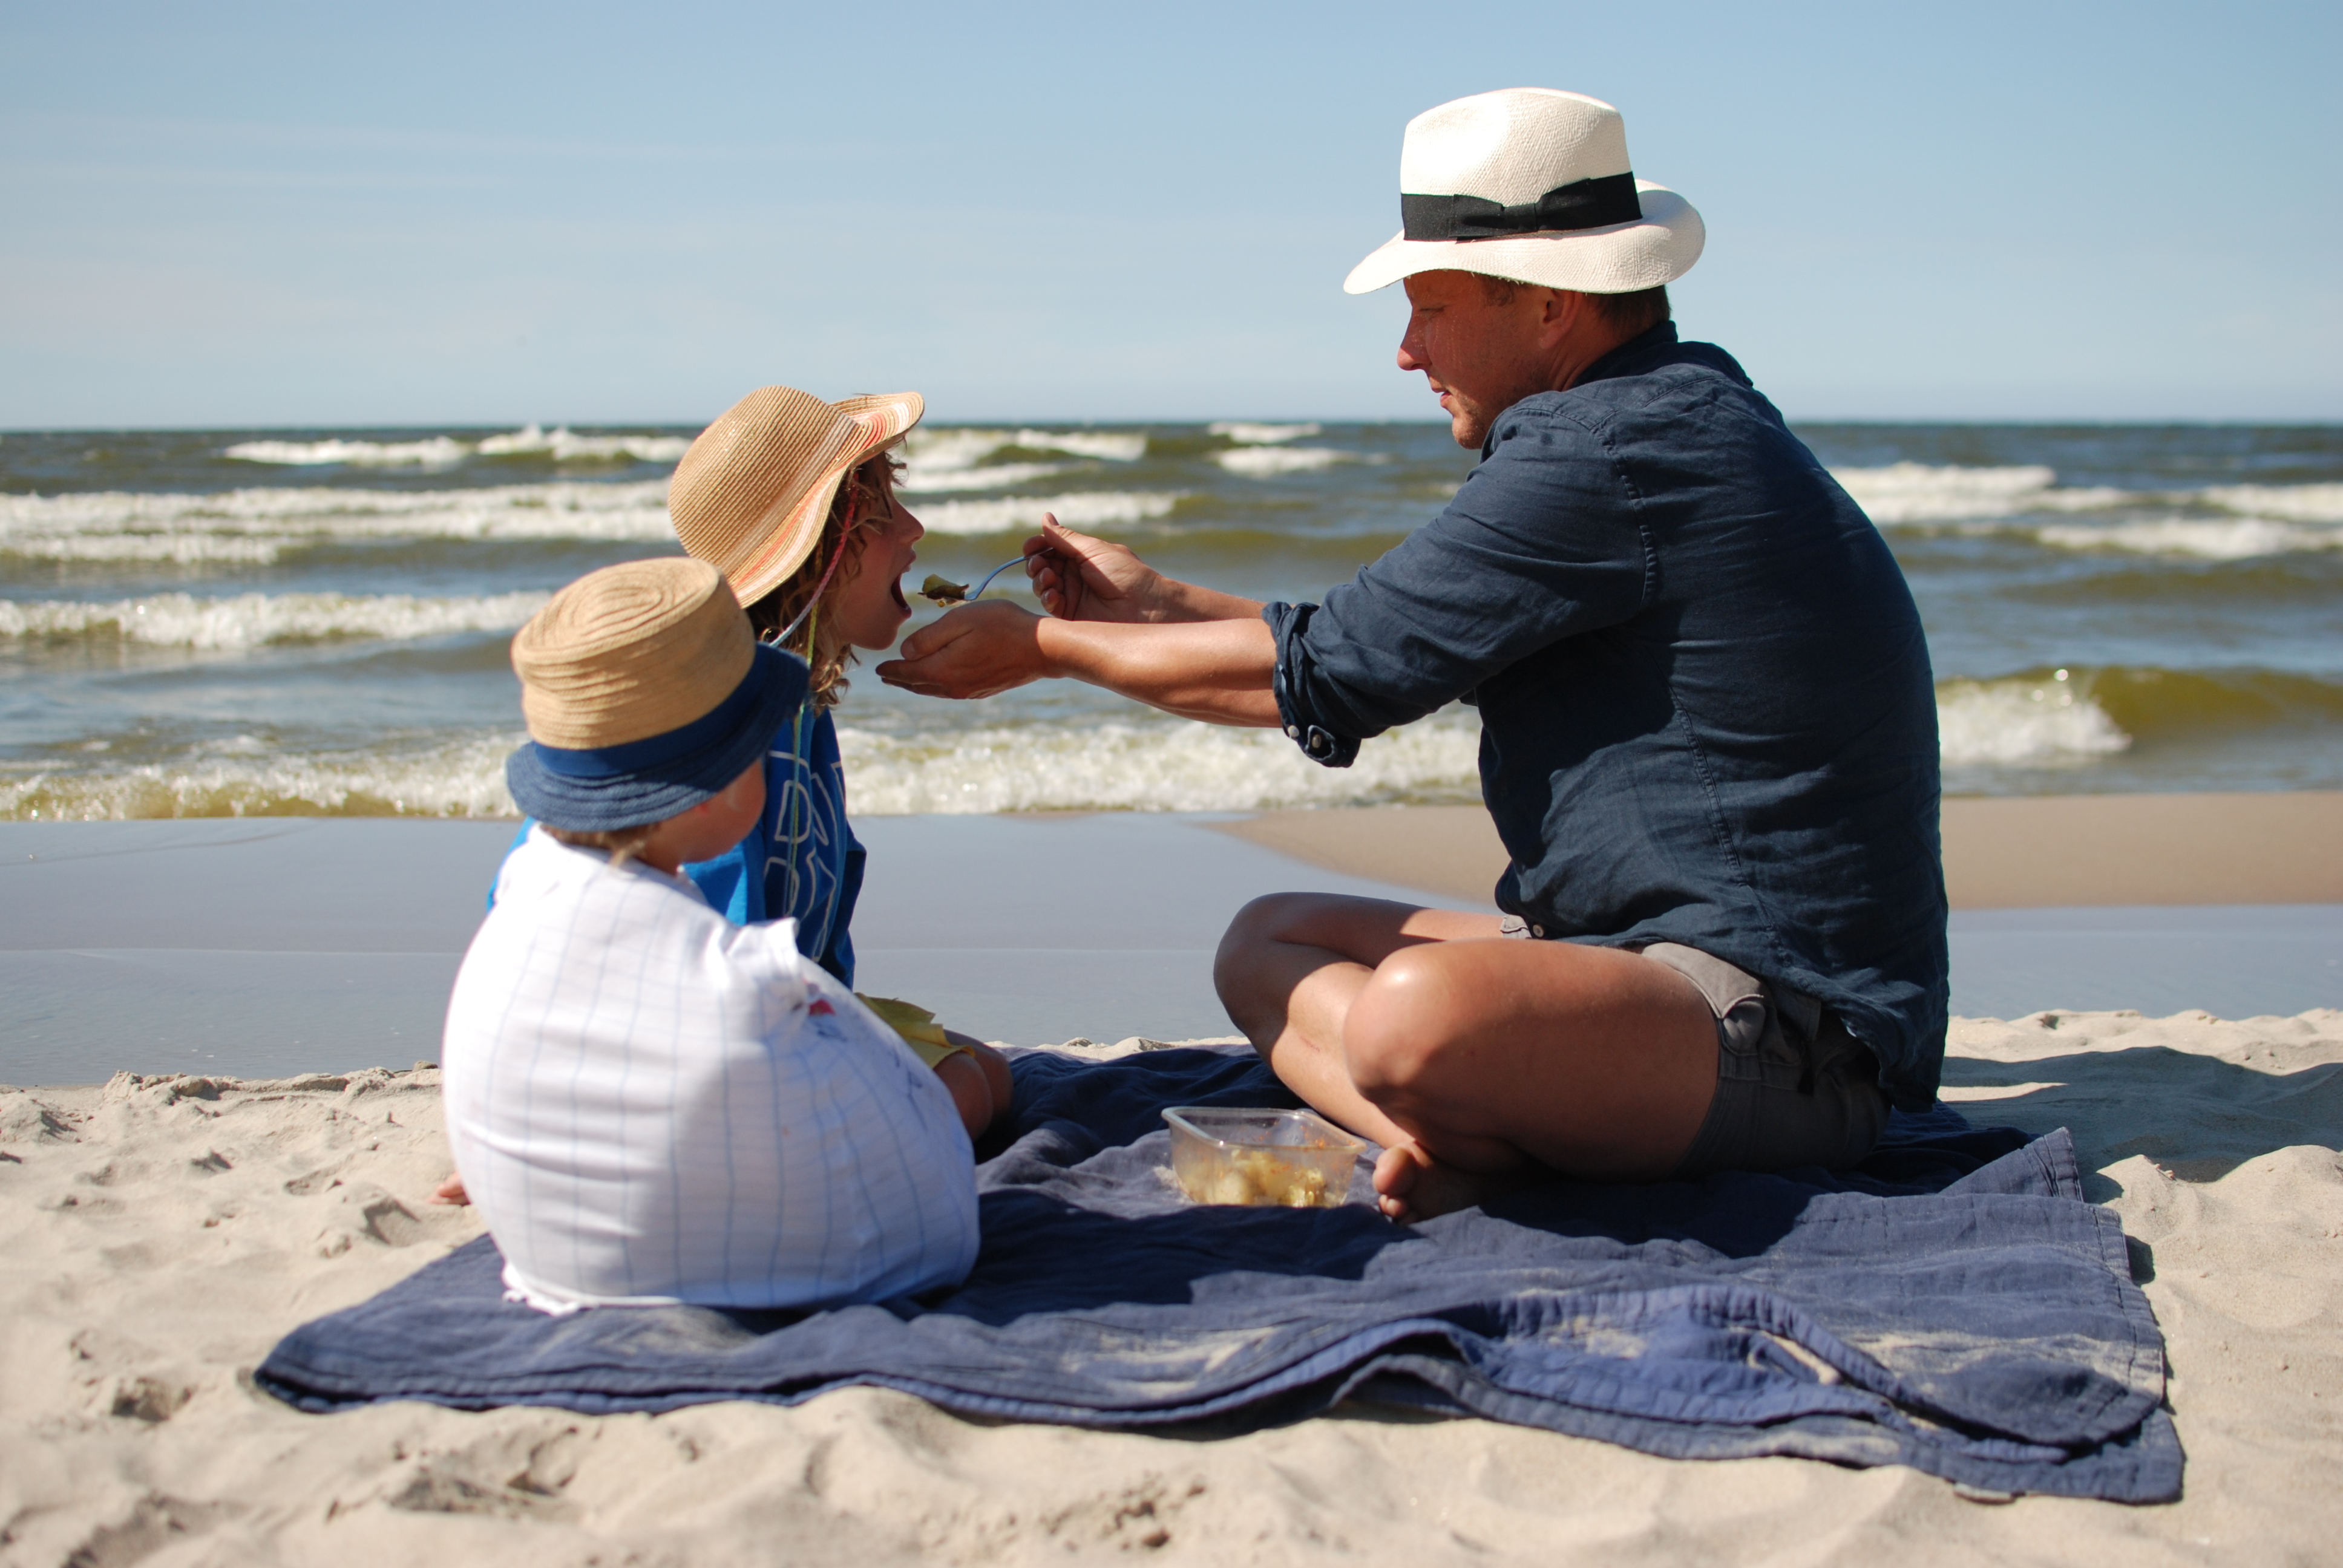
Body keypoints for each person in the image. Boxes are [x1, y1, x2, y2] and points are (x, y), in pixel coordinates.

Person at [876, 88, 1949, 1221]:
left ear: (1544, 304)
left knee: (1411, 1015)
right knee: (1263, 943)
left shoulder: (1610, 448)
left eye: (1427, 308)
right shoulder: (1655, 415)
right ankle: (1483, 1151)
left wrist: (1049, 649)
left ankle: (1489, 1137)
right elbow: (1381, 639)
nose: (1403, 350)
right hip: (1632, 954)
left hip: (1778, 1024)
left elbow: (1337, 670)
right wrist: (1152, 606)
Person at [442, 557, 981, 1312]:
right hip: (865, 1256)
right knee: (966, 1083)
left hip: (553, 1263)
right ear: (717, 790)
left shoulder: (522, 909)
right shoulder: (736, 978)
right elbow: (935, 1205)